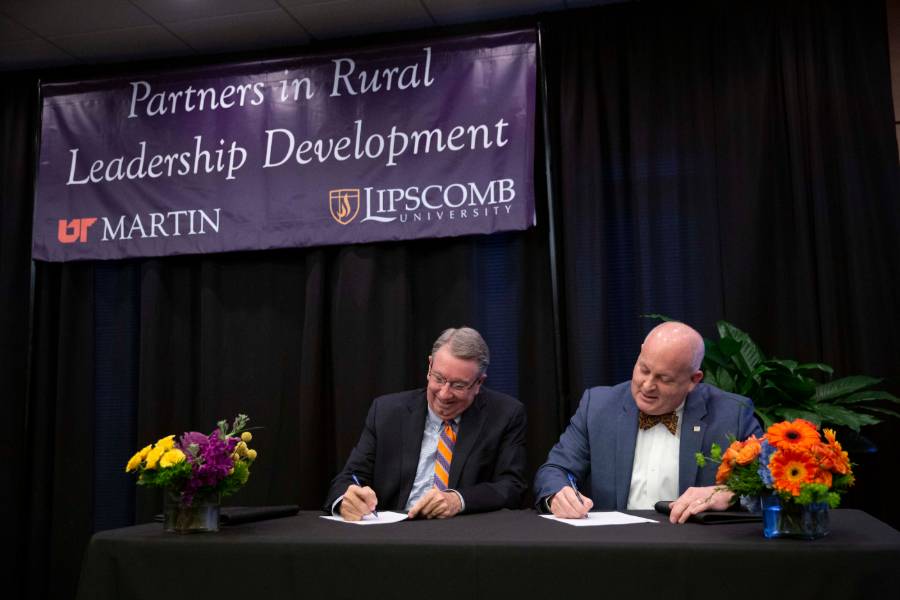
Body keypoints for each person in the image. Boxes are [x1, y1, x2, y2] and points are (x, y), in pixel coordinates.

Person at [533, 321, 763, 523]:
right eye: (644, 369)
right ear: (640, 353)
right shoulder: (598, 406)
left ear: (694, 380)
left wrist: (730, 494)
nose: (647, 385)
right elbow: (556, 469)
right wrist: (557, 494)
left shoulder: (733, 414)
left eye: (664, 379)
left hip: (695, 549)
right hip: (614, 546)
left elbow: (769, 487)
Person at [324, 326, 528, 520]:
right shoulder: (387, 412)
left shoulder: (505, 415)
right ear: (430, 365)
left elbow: (511, 486)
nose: (445, 393)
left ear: (479, 383)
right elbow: (349, 478)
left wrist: (458, 500)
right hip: (393, 532)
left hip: (464, 534)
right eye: (438, 378)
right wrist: (346, 500)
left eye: (458, 385)